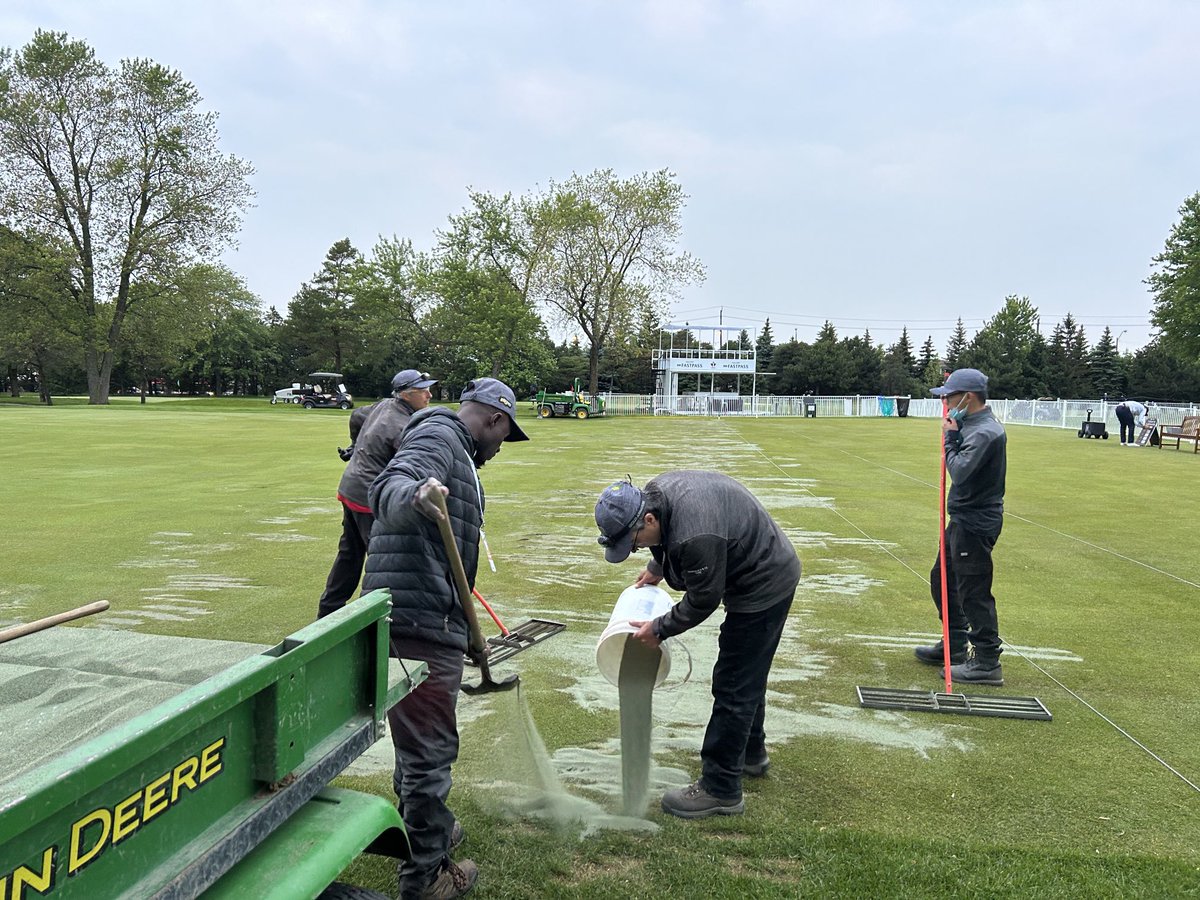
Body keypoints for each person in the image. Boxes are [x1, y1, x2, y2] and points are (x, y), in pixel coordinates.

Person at [365, 377, 528, 900]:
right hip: (419, 624)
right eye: (504, 437)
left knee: (417, 747)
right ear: (495, 420)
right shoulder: (439, 436)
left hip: (420, 617)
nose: (500, 449)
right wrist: (415, 493)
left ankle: (428, 831)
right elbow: (389, 485)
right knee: (430, 753)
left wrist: (468, 634)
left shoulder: (452, 446)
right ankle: (426, 878)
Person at [593, 471, 801, 820]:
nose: (635, 548)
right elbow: (666, 536)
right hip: (756, 563)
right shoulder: (658, 497)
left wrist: (658, 629)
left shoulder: (696, 534)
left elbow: (703, 600)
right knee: (747, 673)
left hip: (764, 582)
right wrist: (657, 565)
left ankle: (721, 788)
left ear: (647, 518)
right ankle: (751, 754)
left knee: (733, 682)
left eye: (634, 542)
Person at [316, 369, 438, 619]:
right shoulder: (402, 426)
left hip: (351, 488)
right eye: (422, 390)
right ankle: (379, 621)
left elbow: (356, 416)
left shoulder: (384, 405)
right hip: (368, 499)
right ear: (406, 395)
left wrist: (354, 446)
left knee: (350, 553)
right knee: (384, 563)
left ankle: (328, 611)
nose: (429, 394)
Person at [914, 368, 1008, 685]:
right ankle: (954, 645)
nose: (945, 401)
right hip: (963, 519)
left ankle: (986, 662)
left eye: (948, 396)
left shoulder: (985, 432)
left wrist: (951, 437)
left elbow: (960, 471)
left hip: (975, 522)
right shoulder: (974, 425)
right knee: (942, 580)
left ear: (967, 397)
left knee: (973, 591)